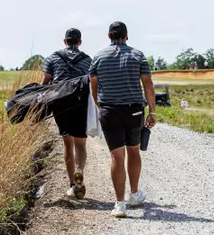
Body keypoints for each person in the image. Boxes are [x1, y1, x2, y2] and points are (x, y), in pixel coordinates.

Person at [89, 21, 156, 218]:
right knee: (134, 150)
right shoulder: (137, 55)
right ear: (127, 36)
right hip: (134, 109)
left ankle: (119, 204)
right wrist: (152, 111)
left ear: (109, 36)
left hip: (109, 109)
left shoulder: (99, 56)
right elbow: (148, 84)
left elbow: (93, 83)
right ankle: (134, 194)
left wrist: (98, 103)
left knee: (116, 157)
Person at [41, 28, 92, 199]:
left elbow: (45, 83)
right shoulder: (87, 60)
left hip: (60, 103)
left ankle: (72, 184)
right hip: (80, 104)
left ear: (65, 41)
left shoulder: (53, 58)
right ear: (80, 42)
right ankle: (80, 170)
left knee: (67, 143)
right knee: (80, 144)